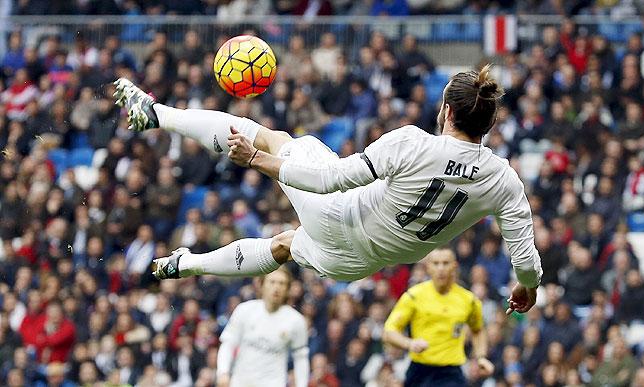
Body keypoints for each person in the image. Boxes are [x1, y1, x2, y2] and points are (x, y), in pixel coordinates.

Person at [113, 64, 542, 315]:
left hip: (337, 214)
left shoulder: (413, 142)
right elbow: (526, 263)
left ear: (446, 110)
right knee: (282, 245)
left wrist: (260, 161)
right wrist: (527, 288)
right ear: (490, 124)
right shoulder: (503, 180)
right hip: (357, 264)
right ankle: (187, 265)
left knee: (273, 139)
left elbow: (331, 180)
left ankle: (156, 114)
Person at [382, 247, 494, 386]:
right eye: (436, 263)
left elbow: (478, 329)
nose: (441, 268)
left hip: (450, 373)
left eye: (446, 263)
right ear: (428, 267)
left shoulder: (468, 300)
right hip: (419, 370)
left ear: (454, 266)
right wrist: (409, 343)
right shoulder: (414, 296)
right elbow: (389, 332)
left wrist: (481, 357)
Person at [216, 267, 309, 387]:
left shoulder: (296, 321)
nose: (277, 287)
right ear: (262, 284)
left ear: (288, 289)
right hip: (240, 382)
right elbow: (228, 344)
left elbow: (301, 358)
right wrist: (223, 373)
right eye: (272, 282)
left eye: (282, 283)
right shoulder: (244, 310)